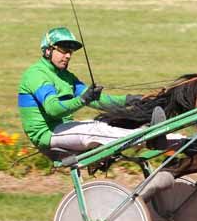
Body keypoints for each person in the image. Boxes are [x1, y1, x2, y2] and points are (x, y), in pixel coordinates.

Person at [18, 27, 178, 200]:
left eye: (70, 51)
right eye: (63, 50)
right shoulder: (37, 74)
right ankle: (152, 137)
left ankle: (181, 140)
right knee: (96, 129)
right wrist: (83, 100)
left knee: (104, 125)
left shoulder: (66, 76)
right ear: (48, 50)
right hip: (48, 135)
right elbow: (53, 108)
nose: (68, 56)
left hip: (63, 130)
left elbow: (99, 100)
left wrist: (132, 100)